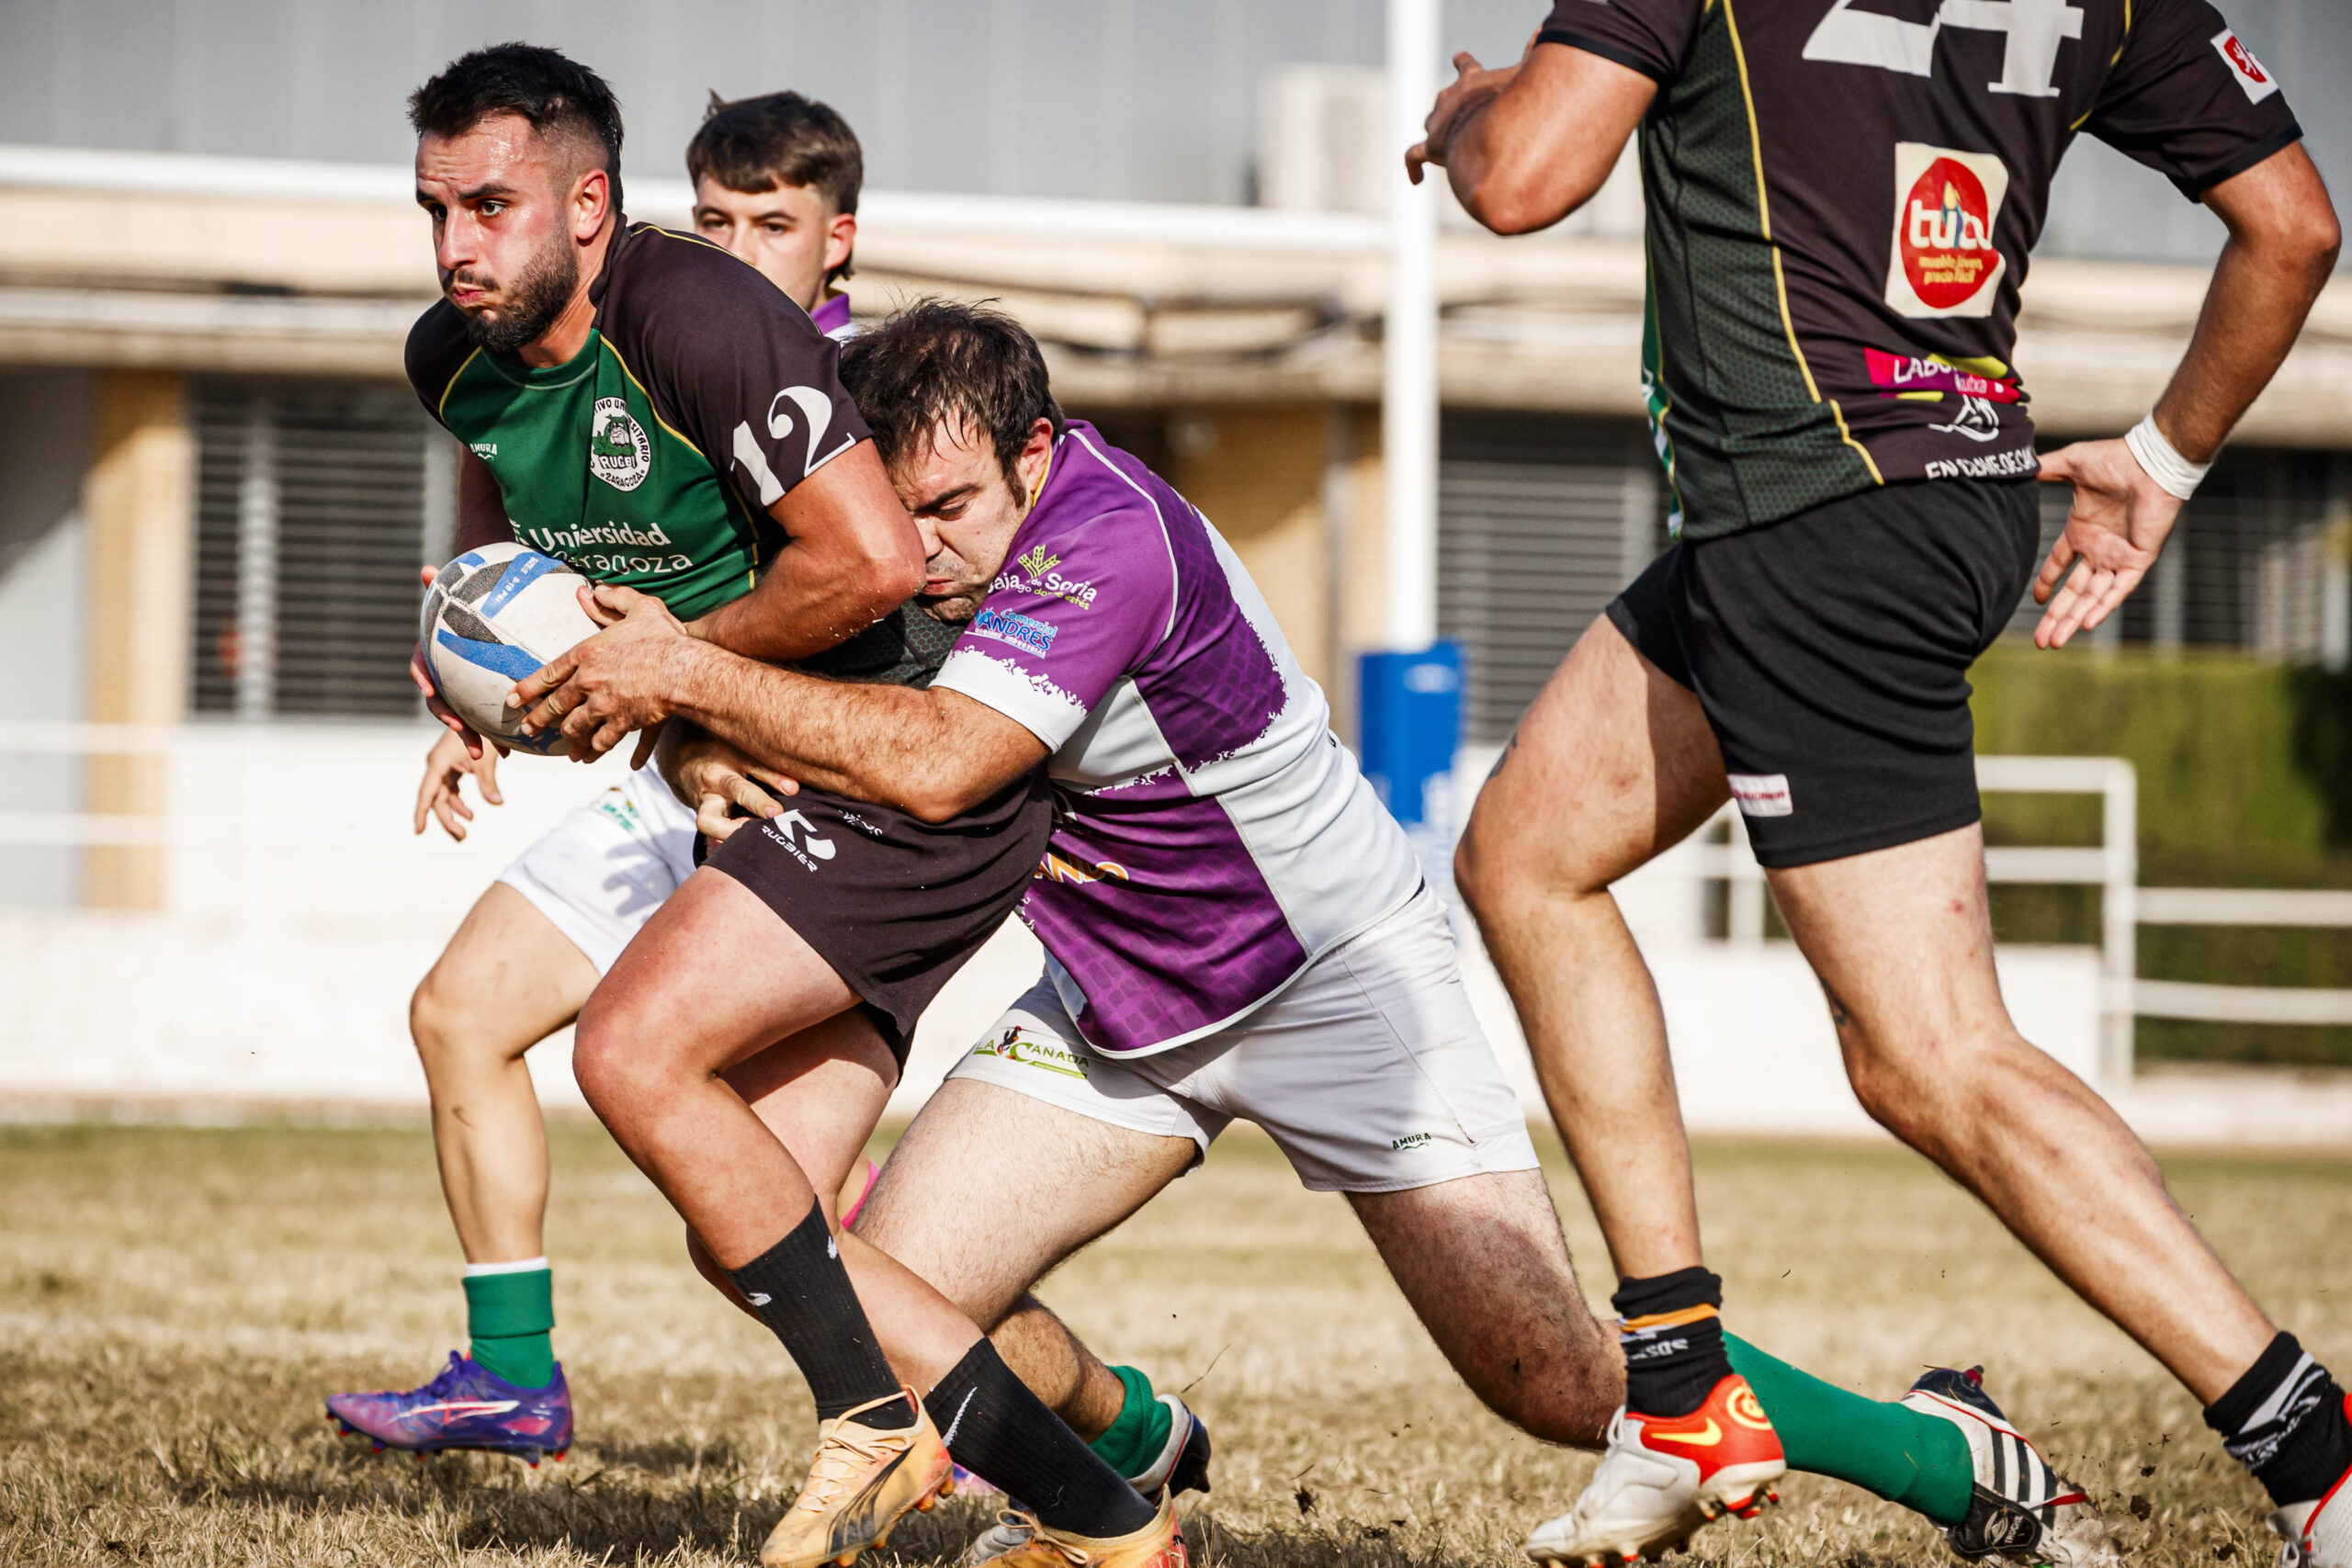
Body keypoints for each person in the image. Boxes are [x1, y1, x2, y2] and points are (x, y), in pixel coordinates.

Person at [516, 300, 2111, 1568]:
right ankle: (1128, 1454)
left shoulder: (1105, 538)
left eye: (950, 510)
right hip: (1120, 1006)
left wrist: (694, 676)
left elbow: (941, 763)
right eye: (902, 514)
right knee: (890, 1289)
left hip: (1334, 983)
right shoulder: (914, 543)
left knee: (1556, 1381)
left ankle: (1941, 1450)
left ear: (1038, 455)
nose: (920, 551)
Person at [1411, 3, 2346, 1564]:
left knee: (1933, 1056)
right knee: (1525, 858)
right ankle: (1682, 1387)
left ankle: (2317, 1460)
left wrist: (1465, 121)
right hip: (1931, 491)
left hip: (1815, 511)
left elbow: (1523, 180)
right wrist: (2166, 462)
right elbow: (2297, 226)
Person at [326, 43, 933, 1481]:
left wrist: (685, 683)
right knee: (461, 1014)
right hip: (686, 750)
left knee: (768, 1198)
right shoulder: (451, 357)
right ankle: (511, 1379)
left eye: (492, 206)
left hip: (823, 761)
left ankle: (1053, 1430)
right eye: (436, 210)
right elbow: (497, 498)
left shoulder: (699, 321)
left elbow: (874, 567)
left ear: (589, 205)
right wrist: (471, 654)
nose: (455, 246)